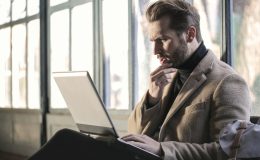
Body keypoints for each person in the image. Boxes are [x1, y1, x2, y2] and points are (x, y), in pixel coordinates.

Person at [28, 0, 251, 160]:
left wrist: (162, 149)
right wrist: (152, 99)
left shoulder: (228, 82)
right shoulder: (167, 76)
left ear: (190, 34)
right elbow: (134, 130)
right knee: (69, 142)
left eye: (163, 40)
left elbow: (228, 153)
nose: (155, 50)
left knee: (67, 141)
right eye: (153, 41)